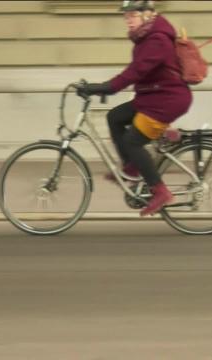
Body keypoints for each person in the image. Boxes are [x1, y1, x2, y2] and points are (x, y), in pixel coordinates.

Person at [76, 0, 192, 217]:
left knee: (133, 141)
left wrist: (105, 88)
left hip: (167, 100)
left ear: (148, 15)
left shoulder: (157, 39)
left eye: (133, 15)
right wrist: (103, 88)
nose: (128, 20)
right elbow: (137, 72)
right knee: (115, 117)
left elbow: (135, 72)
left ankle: (160, 192)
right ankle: (132, 166)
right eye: (126, 16)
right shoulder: (145, 37)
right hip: (153, 96)